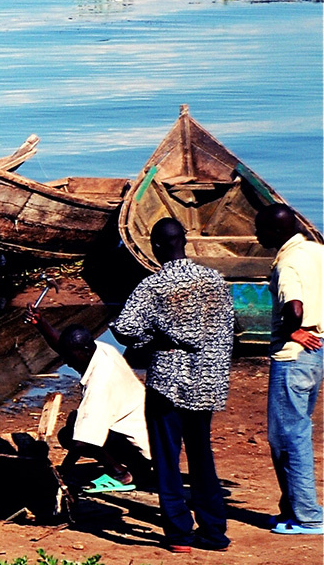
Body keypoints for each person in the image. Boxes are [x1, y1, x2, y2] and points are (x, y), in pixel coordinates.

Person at [111, 218, 234, 553]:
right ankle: (214, 532)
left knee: (167, 460)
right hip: (208, 383)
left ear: (156, 246)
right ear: (186, 240)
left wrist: (153, 337)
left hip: (168, 382)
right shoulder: (214, 280)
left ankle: (179, 535)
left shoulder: (154, 286)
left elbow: (123, 329)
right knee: (202, 457)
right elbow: (226, 328)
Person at [255, 204, 324, 536]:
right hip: (316, 354)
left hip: (292, 356)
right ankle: (293, 508)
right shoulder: (316, 250)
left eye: (260, 229)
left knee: (289, 437)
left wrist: (291, 329)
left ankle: (308, 516)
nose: (256, 235)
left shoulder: (287, 262)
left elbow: (293, 308)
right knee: (293, 433)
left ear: (275, 231)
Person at [25, 311, 149, 493]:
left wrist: (62, 472)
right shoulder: (101, 350)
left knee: (72, 434)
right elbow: (65, 346)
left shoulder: (99, 383)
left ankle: (121, 474)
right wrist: (41, 323)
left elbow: (82, 442)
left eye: (70, 357)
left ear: (84, 351)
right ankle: (127, 466)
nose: (66, 363)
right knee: (76, 421)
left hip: (141, 449)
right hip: (146, 432)